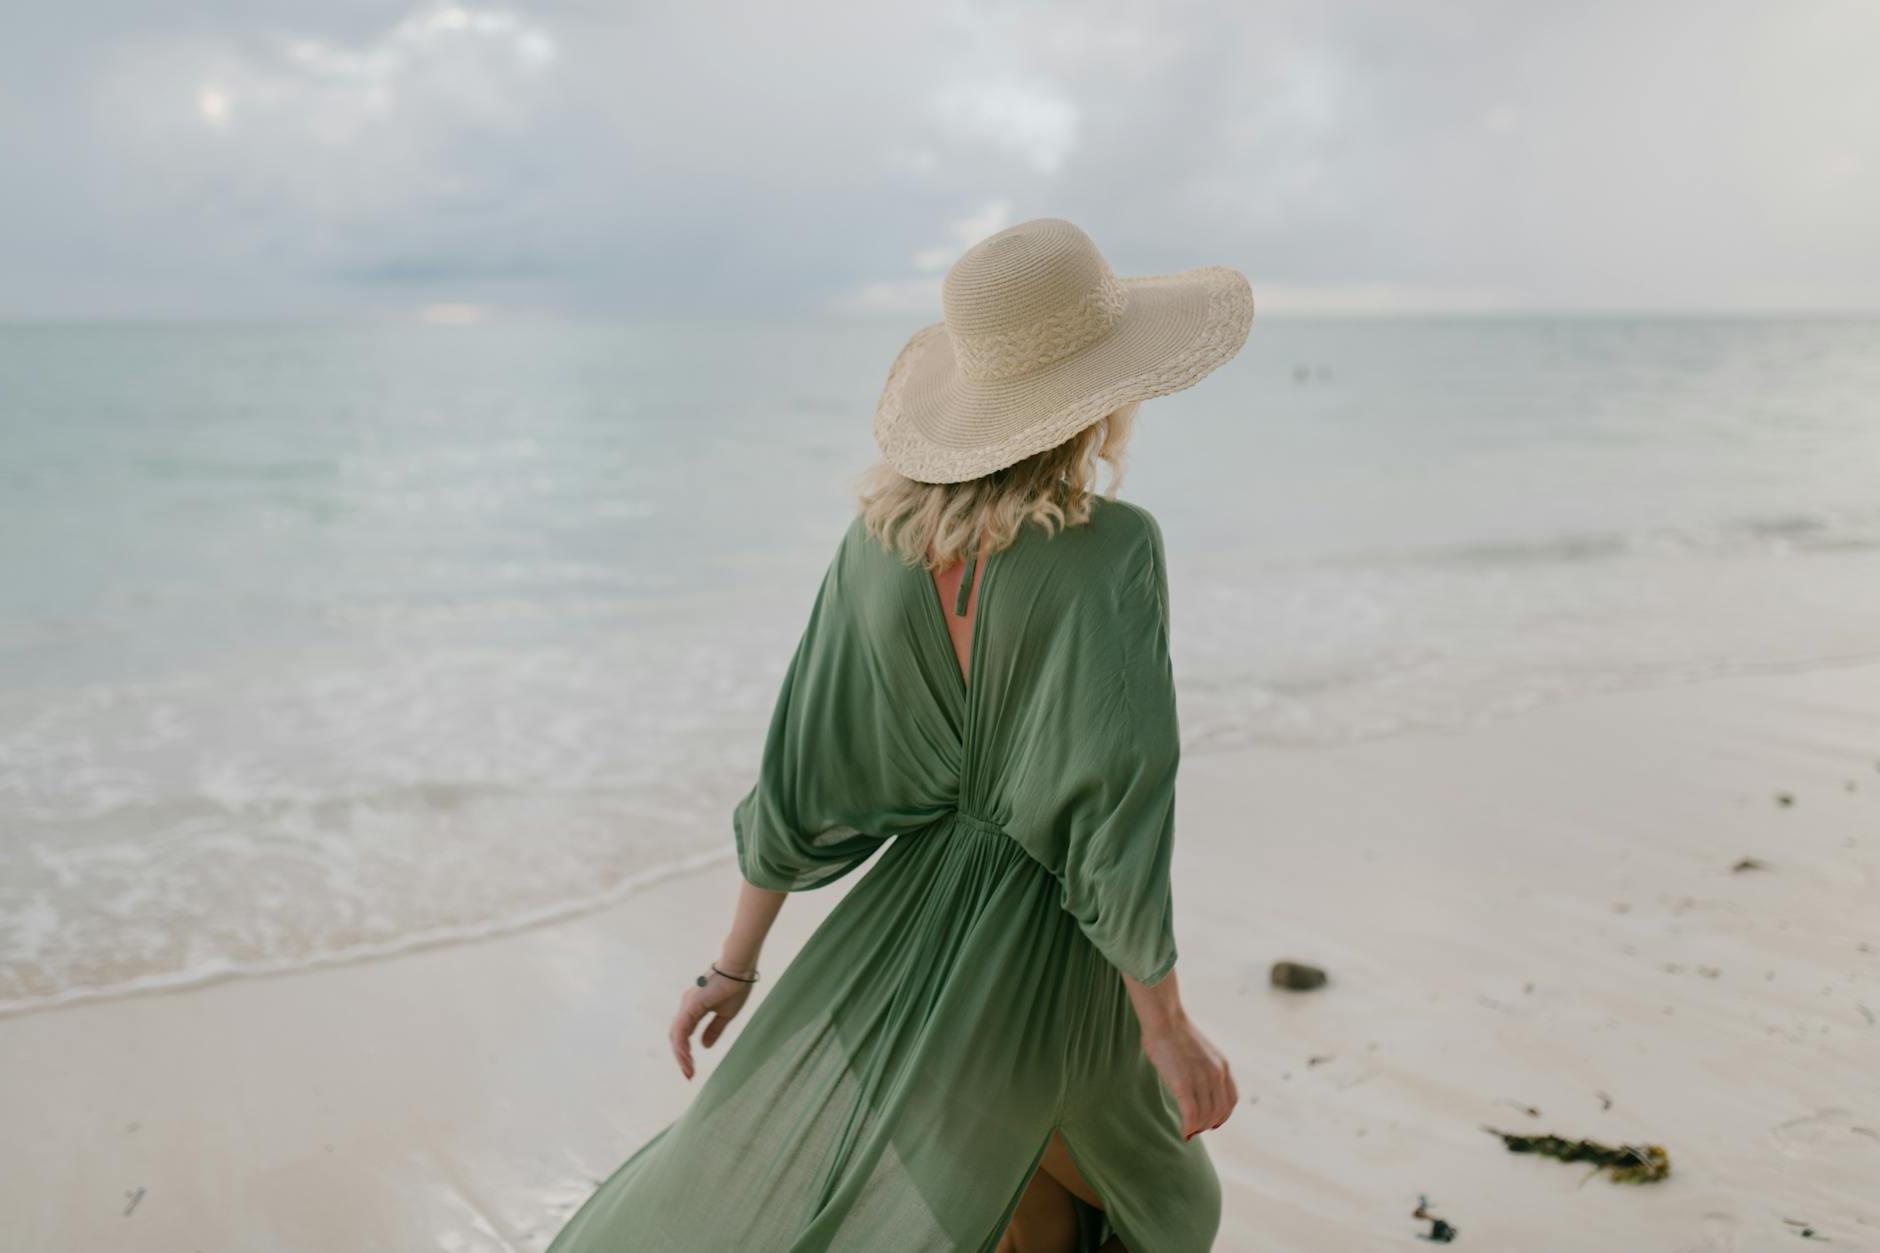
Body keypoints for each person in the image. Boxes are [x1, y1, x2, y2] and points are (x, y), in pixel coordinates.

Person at [548, 217, 1255, 1252]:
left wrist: (734, 965)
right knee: (1167, 1203)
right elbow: (1115, 802)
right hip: (1051, 945)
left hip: (904, 930)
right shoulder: (1111, 550)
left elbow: (802, 769)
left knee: (1015, 1199)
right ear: (1095, 393)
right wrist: (1163, 1020)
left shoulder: (875, 543)